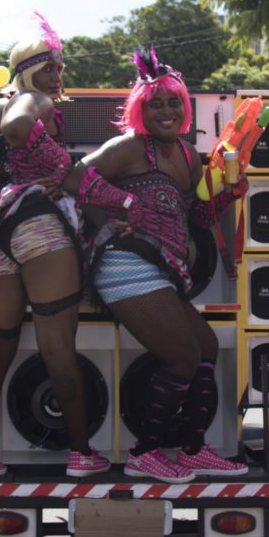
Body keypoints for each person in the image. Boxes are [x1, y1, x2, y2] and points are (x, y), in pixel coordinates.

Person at [62, 46, 248, 482]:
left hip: (166, 273)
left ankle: (193, 449)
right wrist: (117, 207)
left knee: (205, 349)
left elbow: (197, 218)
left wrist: (228, 195)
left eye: (173, 102)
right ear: (139, 110)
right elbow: (73, 181)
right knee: (182, 358)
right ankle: (146, 453)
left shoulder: (188, 156)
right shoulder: (129, 147)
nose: (166, 110)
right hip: (124, 265)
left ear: (185, 107)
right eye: (155, 103)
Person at [0, 13, 109, 481]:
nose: (57, 77)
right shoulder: (31, 100)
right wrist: (58, 167)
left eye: (60, 68)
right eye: (50, 67)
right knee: (58, 345)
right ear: (27, 70)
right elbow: (18, 128)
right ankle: (82, 454)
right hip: (39, 229)